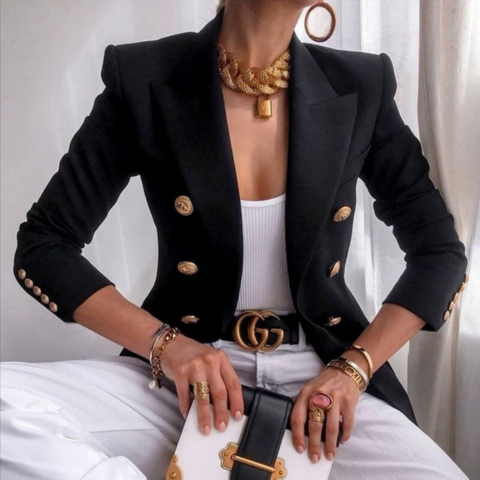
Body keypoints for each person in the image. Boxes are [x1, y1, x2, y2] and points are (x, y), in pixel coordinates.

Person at [1, 1, 470, 479]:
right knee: (5, 408)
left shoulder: (359, 84)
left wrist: (354, 368)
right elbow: (45, 246)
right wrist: (168, 346)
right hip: (184, 378)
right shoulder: (145, 76)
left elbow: (438, 252)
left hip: (322, 385)